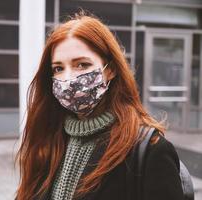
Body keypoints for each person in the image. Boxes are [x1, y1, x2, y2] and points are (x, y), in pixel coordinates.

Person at [15, 11, 184, 200]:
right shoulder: (48, 139)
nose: (68, 78)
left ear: (110, 69)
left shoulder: (149, 149)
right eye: (58, 68)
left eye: (82, 65)